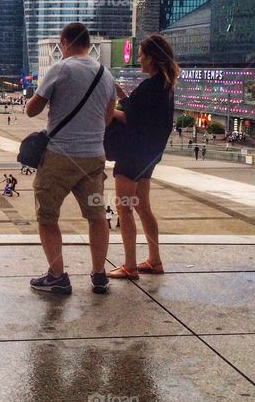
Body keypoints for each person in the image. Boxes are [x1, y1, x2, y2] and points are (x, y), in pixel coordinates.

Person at [25, 22, 116, 295]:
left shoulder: (61, 68)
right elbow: (109, 117)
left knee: (48, 216)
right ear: (88, 44)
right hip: (94, 157)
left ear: (64, 42)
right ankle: (99, 275)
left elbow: (32, 110)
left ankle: (57, 276)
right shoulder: (106, 74)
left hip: (59, 157)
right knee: (97, 216)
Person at [106, 35, 177, 281]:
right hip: (149, 155)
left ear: (151, 58)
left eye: (140, 55)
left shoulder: (150, 86)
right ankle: (155, 260)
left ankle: (129, 266)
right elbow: (141, 112)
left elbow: (130, 117)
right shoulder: (165, 86)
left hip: (132, 154)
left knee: (123, 209)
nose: (138, 59)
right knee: (143, 207)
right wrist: (122, 95)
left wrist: (108, 110)